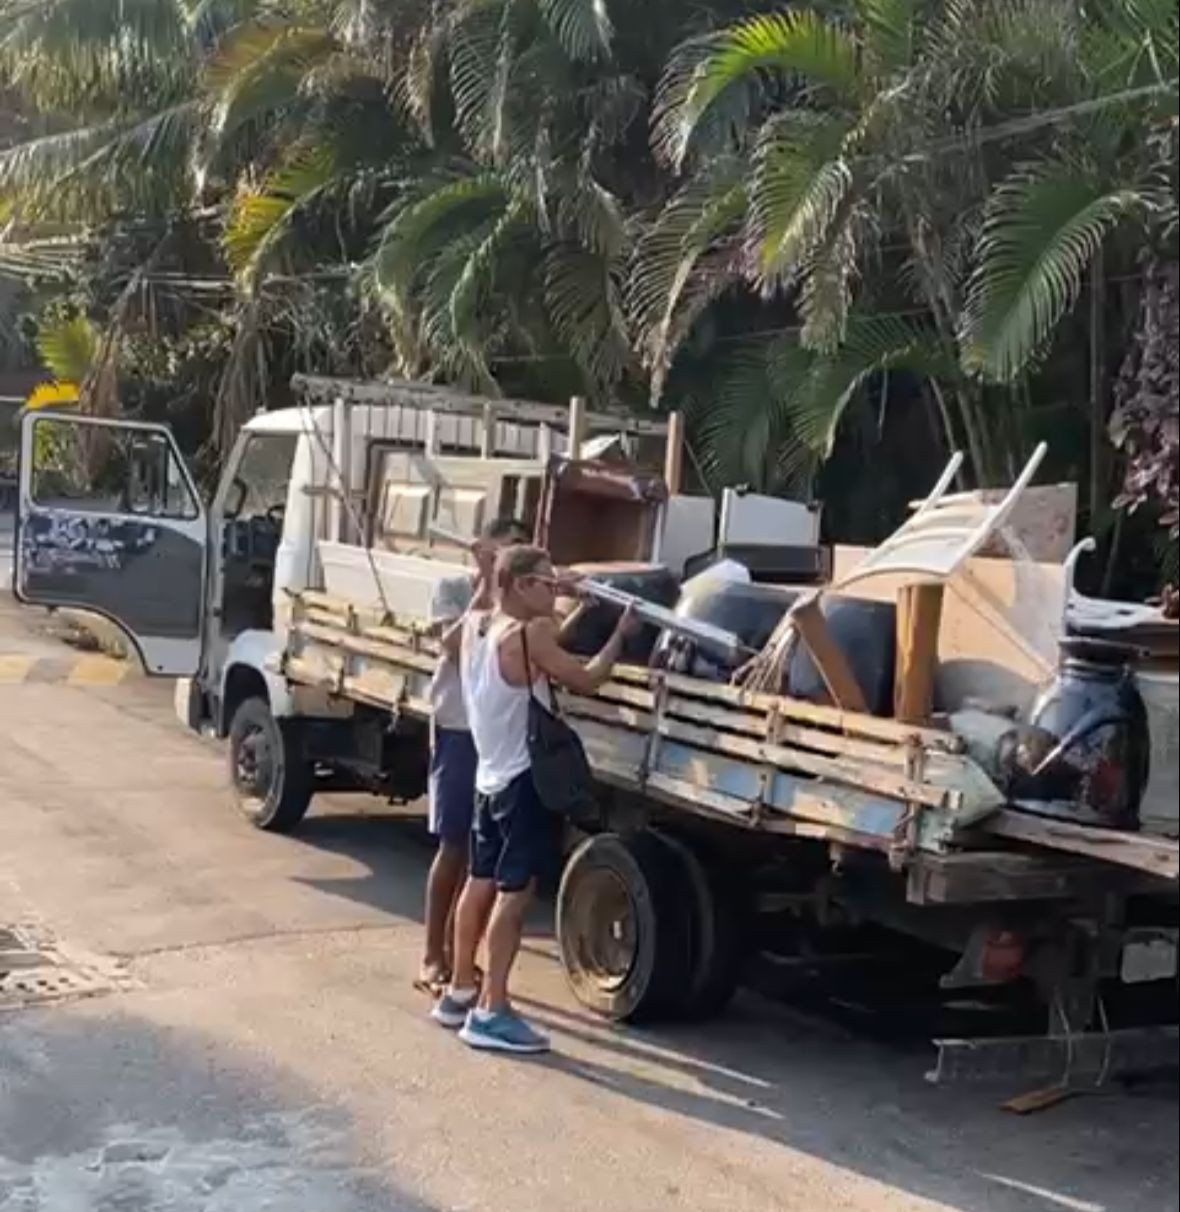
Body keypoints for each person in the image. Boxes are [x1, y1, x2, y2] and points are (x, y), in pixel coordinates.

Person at [432, 545, 634, 1053]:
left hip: (488, 776)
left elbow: (478, 646)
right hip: (523, 781)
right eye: (545, 582)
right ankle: (492, 1010)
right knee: (514, 896)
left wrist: (564, 594)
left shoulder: (476, 627)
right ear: (521, 585)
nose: (554, 589)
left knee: (478, 884)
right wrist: (618, 635)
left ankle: (458, 990)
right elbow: (586, 678)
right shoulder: (530, 635)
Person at [418, 516, 529, 994]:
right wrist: (486, 587)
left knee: (486, 862)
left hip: (501, 741)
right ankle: (431, 957)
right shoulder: (455, 589)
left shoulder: (522, 607)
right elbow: (451, 645)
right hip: (459, 730)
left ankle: (463, 960)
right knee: (454, 846)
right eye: (505, 550)